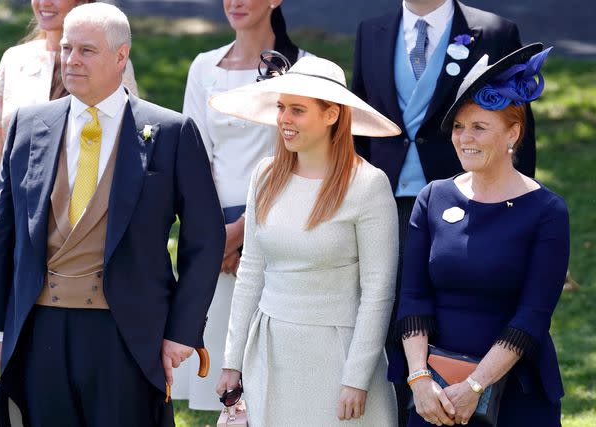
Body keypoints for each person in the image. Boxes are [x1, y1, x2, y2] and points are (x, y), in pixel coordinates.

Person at [0, 3, 225, 426]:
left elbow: (205, 240)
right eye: (67, 48)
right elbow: (3, 234)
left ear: (120, 56)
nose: (71, 60)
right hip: (40, 329)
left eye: (86, 51)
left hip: (126, 334)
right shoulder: (28, 126)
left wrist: (182, 332)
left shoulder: (170, 132)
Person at [351, 1, 536, 422]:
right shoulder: (371, 31)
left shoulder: (493, 31)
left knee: (458, 316)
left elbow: (520, 138)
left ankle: (472, 402)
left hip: (468, 206)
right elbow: (359, 129)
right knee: (387, 316)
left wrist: (516, 218)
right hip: (382, 204)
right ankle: (408, 410)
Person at [209, 55, 401, 425]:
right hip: (270, 350)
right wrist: (233, 361)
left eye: (297, 110)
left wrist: (357, 378)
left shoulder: (368, 185)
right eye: (281, 107)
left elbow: (379, 290)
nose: (283, 119)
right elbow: (251, 272)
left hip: (338, 357)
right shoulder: (266, 175)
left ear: (331, 115)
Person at [392, 43, 568, 427]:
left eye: (478, 127)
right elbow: (413, 297)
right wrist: (419, 379)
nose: (463, 138)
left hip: (516, 394)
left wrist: (474, 386)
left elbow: (532, 316)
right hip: (433, 395)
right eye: (458, 126)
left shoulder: (547, 212)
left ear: (513, 133)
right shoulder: (433, 197)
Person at [172, 0, 310, 410]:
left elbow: (301, 158)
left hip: (282, 228)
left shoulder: (305, 69)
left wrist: (243, 232)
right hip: (214, 231)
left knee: (276, 382)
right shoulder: (203, 67)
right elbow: (193, 159)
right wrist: (215, 238)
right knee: (224, 387)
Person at [0, 0, 138, 272]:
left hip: (86, 226)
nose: (44, 2)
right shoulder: (15, 60)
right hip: (18, 218)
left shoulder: (111, 61)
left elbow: (130, 143)